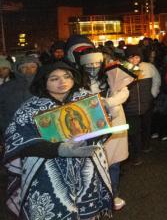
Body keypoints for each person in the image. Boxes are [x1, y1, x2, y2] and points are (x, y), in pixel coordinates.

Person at [3, 61, 112, 219]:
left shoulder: (87, 101)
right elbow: (18, 142)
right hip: (45, 173)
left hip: (85, 168)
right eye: (54, 79)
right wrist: (59, 149)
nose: (62, 82)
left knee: (87, 211)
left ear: (74, 78)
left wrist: (90, 135)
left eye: (67, 76)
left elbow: (102, 129)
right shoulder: (29, 108)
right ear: (44, 82)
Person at [78, 48, 130, 211]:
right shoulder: (78, 81)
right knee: (93, 164)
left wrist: (108, 102)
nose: (93, 66)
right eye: (88, 64)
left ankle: (112, 195)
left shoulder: (111, 76)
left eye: (96, 63)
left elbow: (124, 92)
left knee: (113, 163)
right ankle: (95, 197)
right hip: (92, 126)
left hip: (114, 124)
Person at [123, 45, 161, 165]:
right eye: (131, 58)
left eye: (137, 57)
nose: (134, 60)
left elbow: (157, 80)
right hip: (130, 106)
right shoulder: (123, 68)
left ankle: (146, 145)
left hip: (146, 103)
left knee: (146, 126)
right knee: (134, 131)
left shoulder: (148, 67)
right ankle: (136, 155)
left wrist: (152, 94)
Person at [0, 56, 40, 134]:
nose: (29, 70)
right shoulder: (6, 87)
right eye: (24, 67)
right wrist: (6, 129)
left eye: (33, 66)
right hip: (16, 133)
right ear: (18, 70)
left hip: (44, 130)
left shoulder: (46, 84)